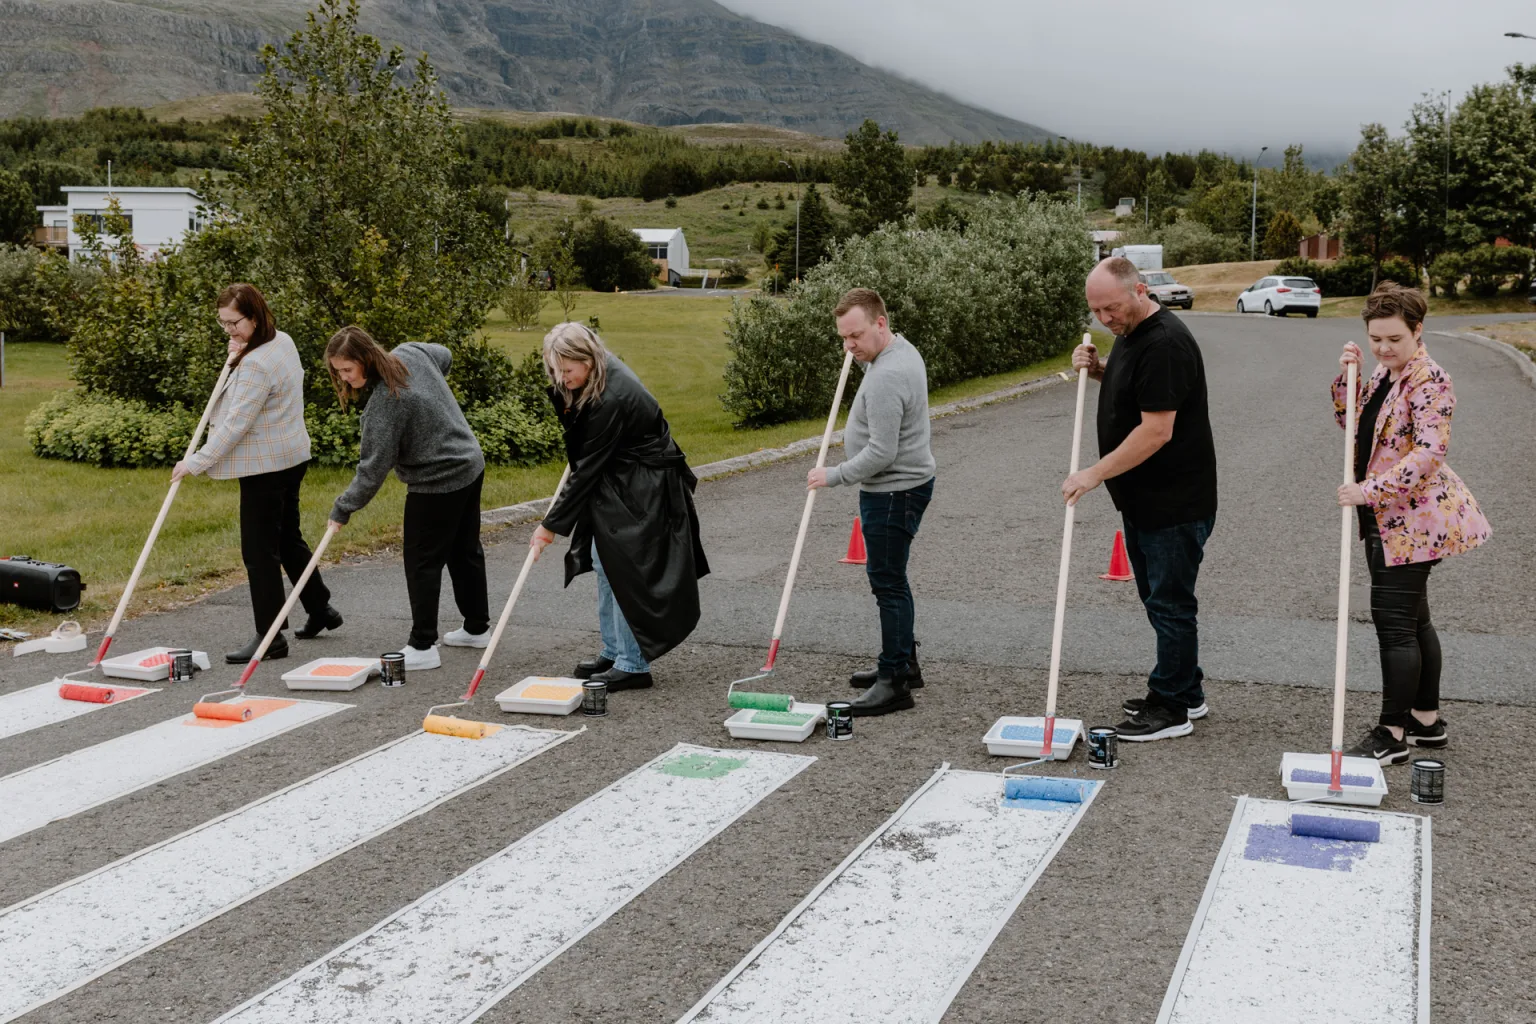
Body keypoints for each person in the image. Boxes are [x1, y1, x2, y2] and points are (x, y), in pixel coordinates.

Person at [1333, 283, 1489, 764]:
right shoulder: (1385, 372)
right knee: (1415, 620)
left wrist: (1369, 491)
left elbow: (1429, 452)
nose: (1384, 348)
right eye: (1376, 338)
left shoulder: (1430, 379)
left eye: (1394, 339)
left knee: (1395, 624)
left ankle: (1392, 733)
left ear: (1418, 331)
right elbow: (1351, 423)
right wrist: (1348, 377)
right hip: (1385, 516)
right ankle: (1425, 720)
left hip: (1413, 522)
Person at [1064, 257, 1217, 741]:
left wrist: (1093, 473)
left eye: (1110, 308)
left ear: (1140, 291)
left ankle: (1171, 706)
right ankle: (1187, 690)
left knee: (1170, 604)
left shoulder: (1165, 343)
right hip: (1145, 499)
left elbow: (1156, 431)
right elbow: (1138, 388)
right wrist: (1098, 369)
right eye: (1095, 311)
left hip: (1173, 501)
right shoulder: (1132, 333)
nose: (1104, 319)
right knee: (1159, 600)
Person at [529, 323, 708, 691]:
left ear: (588, 360)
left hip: (643, 486)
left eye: (567, 370)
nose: (561, 379)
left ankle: (632, 664)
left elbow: (587, 471)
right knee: (603, 561)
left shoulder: (612, 397)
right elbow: (587, 450)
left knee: (624, 569)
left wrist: (549, 527)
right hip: (624, 477)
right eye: (555, 371)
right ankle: (614, 651)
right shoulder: (597, 375)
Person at [174, 283, 341, 664]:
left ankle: (271, 637)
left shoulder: (256, 364)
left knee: (259, 552)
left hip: (265, 467)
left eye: (234, 323)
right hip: (291, 456)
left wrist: (196, 462)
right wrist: (237, 354)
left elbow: (236, 424)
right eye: (223, 323)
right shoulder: (281, 340)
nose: (228, 330)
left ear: (254, 316)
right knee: (287, 538)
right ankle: (320, 608)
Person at [325, 327, 489, 671]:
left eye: (348, 369)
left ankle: (423, 645)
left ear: (366, 359)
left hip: (438, 479)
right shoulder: (411, 352)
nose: (344, 377)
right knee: (464, 551)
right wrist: (431, 397)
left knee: (421, 562)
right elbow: (445, 356)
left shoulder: (386, 403)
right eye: (338, 371)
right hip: (470, 462)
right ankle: (477, 629)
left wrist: (343, 508)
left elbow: (372, 470)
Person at [808, 288, 936, 717]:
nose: (849, 346)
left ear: (880, 323)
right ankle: (904, 663)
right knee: (894, 579)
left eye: (856, 336)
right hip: (905, 485)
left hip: (893, 491)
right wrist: (864, 354)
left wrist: (833, 475)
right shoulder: (899, 350)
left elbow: (881, 452)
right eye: (844, 338)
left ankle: (894, 681)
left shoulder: (887, 375)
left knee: (887, 582)